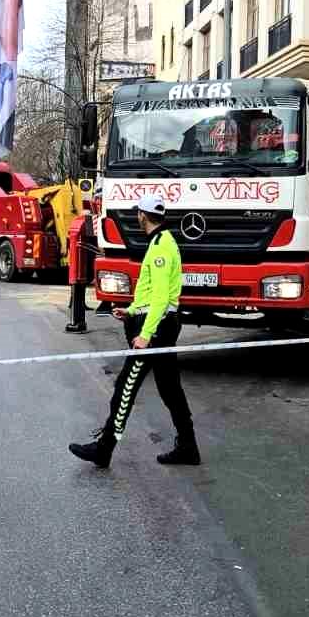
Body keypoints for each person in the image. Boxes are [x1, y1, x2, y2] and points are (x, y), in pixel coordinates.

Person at [70, 194, 198, 468]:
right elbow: (153, 293)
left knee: (124, 387)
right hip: (157, 323)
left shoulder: (162, 246)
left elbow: (162, 297)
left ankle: (104, 449)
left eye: (138, 213)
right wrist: (131, 310)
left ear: (143, 215)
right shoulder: (160, 242)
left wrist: (146, 333)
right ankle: (188, 446)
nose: (137, 217)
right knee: (169, 388)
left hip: (156, 328)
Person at [64, 206, 95, 334]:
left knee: (79, 287)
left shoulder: (81, 225)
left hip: (81, 266)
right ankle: (77, 321)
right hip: (79, 266)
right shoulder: (83, 226)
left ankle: (77, 319)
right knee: (78, 287)